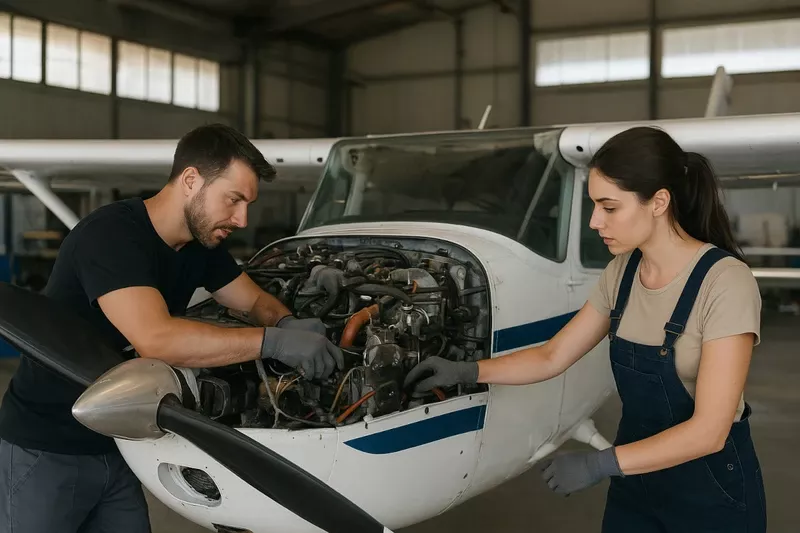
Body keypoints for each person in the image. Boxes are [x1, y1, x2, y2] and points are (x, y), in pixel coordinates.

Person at [404, 126, 766, 532]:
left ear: (659, 202)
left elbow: (709, 431)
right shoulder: (622, 273)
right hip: (637, 482)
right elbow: (552, 355)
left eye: (609, 208)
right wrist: (469, 370)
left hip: (710, 490)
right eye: (594, 206)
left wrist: (600, 463)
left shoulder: (725, 282)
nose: (595, 221)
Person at [0, 123, 344, 533]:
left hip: (121, 445)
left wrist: (287, 322)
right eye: (233, 200)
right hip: (46, 446)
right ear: (191, 180)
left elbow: (253, 301)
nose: (241, 218)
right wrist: (274, 343)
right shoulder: (112, 235)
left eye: (248, 204)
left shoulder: (200, 246)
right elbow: (157, 338)